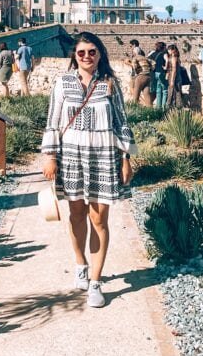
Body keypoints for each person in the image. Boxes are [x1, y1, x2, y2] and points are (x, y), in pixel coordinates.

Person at [41, 31, 136, 309]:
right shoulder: (63, 83)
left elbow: (122, 122)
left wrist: (126, 158)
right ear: (74, 55)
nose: (86, 57)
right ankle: (80, 263)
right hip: (71, 155)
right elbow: (53, 122)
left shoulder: (110, 84)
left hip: (103, 155)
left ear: (100, 54)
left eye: (92, 52)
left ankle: (96, 282)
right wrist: (49, 157)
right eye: (81, 52)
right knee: (77, 213)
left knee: (99, 219)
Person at [165, 44, 190, 109]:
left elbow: (174, 70)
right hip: (177, 78)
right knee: (177, 94)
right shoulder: (176, 58)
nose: (168, 51)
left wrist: (172, 81)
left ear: (172, 50)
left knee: (172, 95)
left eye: (169, 50)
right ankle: (177, 109)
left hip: (175, 78)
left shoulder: (173, 58)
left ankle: (170, 110)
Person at [149, 41, 168, 109]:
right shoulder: (164, 53)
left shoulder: (153, 53)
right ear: (163, 47)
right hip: (161, 72)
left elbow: (148, 59)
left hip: (155, 73)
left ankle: (158, 107)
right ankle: (163, 108)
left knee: (158, 90)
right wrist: (165, 67)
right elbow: (167, 60)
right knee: (165, 90)